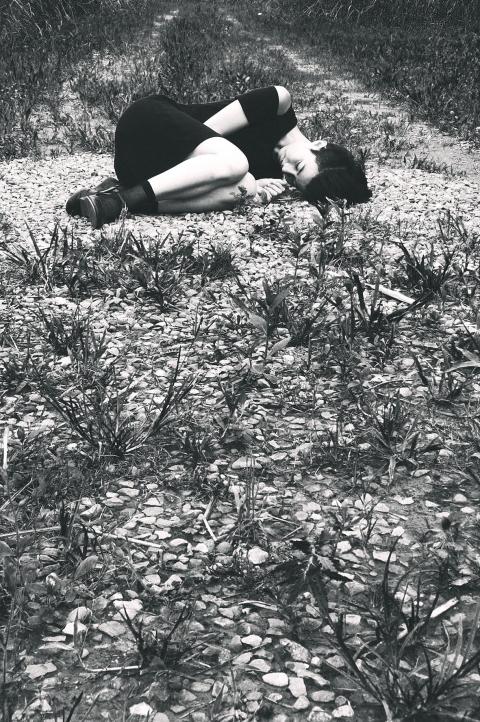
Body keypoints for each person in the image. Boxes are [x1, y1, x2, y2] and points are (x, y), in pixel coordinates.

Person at [66, 86, 372, 228]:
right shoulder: (278, 104)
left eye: (293, 180)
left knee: (246, 187)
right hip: (148, 125)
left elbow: (220, 180)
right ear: (319, 144)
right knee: (239, 167)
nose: (286, 170)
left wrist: (251, 191)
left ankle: (116, 196)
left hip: (144, 171)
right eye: (299, 165)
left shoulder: (273, 171)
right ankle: (122, 200)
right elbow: (203, 132)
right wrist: (237, 174)